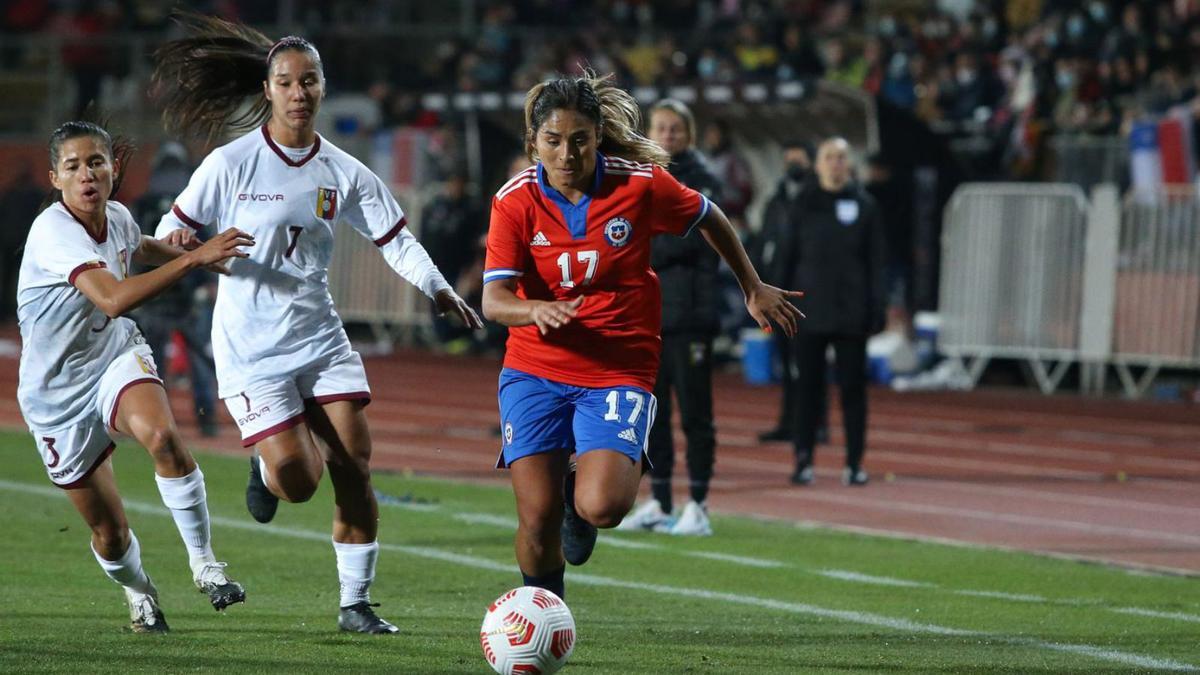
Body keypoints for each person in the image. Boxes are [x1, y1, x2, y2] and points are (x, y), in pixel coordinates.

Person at [150, 13, 482, 633]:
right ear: (267, 91)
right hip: (252, 347)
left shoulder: (344, 171)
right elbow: (172, 238)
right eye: (285, 82)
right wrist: (199, 255)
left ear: (323, 88)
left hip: (322, 339)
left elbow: (396, 238)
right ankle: (267, 467)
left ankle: (355, 603)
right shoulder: (231, 163)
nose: (298, 93)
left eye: (309, 82)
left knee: (354, 461)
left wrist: (438, 289)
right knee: (299, 482)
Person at [482, 73, 803, 601]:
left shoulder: (640, 184)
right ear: (533, 141)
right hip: (535, 368)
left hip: (618, 366)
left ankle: (575, 493)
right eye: (553, 140)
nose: (567, 154)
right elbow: (494, 302)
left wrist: (752, 285)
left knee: (602, 507)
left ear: (599, 134)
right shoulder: (514, 201)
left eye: (580, 139)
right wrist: (536, 308)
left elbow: (709, 215)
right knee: (536, 521)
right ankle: (547, 620)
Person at [16, 120, 253, 633]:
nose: (87, 174)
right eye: (74, 166)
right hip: (55, 394)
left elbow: (138, 245)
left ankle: (206, 565)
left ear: (114, 169)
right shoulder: (53, 231)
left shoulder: (117, 216)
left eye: (96, 162)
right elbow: (114, 296)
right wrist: (194, 258)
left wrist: (211, 264)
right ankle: (140, 590)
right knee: (110, 532)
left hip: (113, 355)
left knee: (164, 437)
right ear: (55, 178)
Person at [617, 99, 722, 536]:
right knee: (650, 413)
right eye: (660, 127)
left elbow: (698, 242)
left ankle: (697, 503)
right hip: (649, 317)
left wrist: (648, 238)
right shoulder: (641, 177)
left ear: (689, 134)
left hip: (691, 315)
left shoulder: (702, 181)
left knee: (696, 412)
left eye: (675, 128)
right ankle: (660, 499)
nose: (667, 135)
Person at [772, 137, 886, 486]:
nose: (836, 163)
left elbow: (876, 263)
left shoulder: (865, 206)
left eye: (841, 157)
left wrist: (876, 309)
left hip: (852, 314)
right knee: (807, 390)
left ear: (849, 164)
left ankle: (854, 463)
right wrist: (777, 303)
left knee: (853, 392)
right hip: (809, 314)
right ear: (817, 164)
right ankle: (803, 459)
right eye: (829, 158)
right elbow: (785, 259)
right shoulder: (801, 205)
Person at [131, 141, 220, 436]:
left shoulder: (148, 204)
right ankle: (203, 419)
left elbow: (131, 247)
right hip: (178, 294)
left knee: (154, 360)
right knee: (195, 361)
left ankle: (157, 418)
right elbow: (207, 245)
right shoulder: (189, 205)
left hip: (160, 294)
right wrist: (208, 283)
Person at [754, 139, 829, 446]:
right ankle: (789, 422)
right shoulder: (778, 199)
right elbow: (766, 241)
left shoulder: (819, 199)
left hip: (808, 294)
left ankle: (816, 424)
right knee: (787, 363)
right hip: (777, 291)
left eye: (797, 160)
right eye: (788, 160)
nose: (792, 166)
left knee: (809, 363)